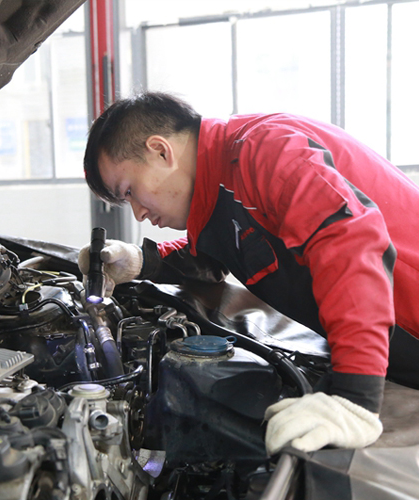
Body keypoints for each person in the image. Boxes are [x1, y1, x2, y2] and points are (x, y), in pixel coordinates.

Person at [78, 91, 419, 455]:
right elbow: (226, 251)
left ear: (161, 150)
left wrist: (355, 396)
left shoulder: (266, 151)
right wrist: (143, 261)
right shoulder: (223, 184)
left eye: (130, 191)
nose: (138, 214)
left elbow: (351, 243)